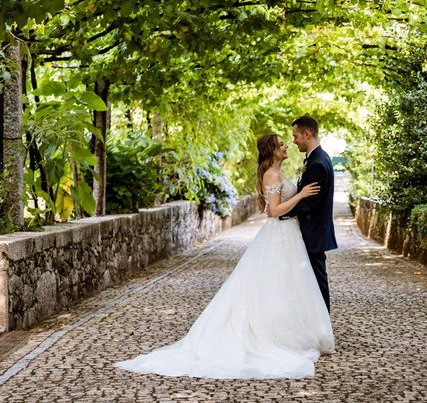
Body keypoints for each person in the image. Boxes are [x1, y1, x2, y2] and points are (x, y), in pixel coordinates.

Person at [114, 134, 335, 380]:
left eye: (287, 142)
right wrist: (301, 195)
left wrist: (298, 195)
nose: (287, 146)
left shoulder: (278, 172)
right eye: (282, 144)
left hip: (289, 234)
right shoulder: (271, 175)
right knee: (275, 284)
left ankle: (292, 331)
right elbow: (273, 211)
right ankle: (272, 336)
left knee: (287, 286)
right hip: (279, 233)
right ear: (273, 150)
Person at [277, 115, 337, 313]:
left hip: (314, 233)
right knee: (311, 282)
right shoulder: (316, 159)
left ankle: (322, 327)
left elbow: (311, 203)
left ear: (307, 134)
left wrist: (282, 212)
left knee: (318, 282)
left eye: (295, 136)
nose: (293, 141)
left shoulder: (318, 163)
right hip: (313, 232)